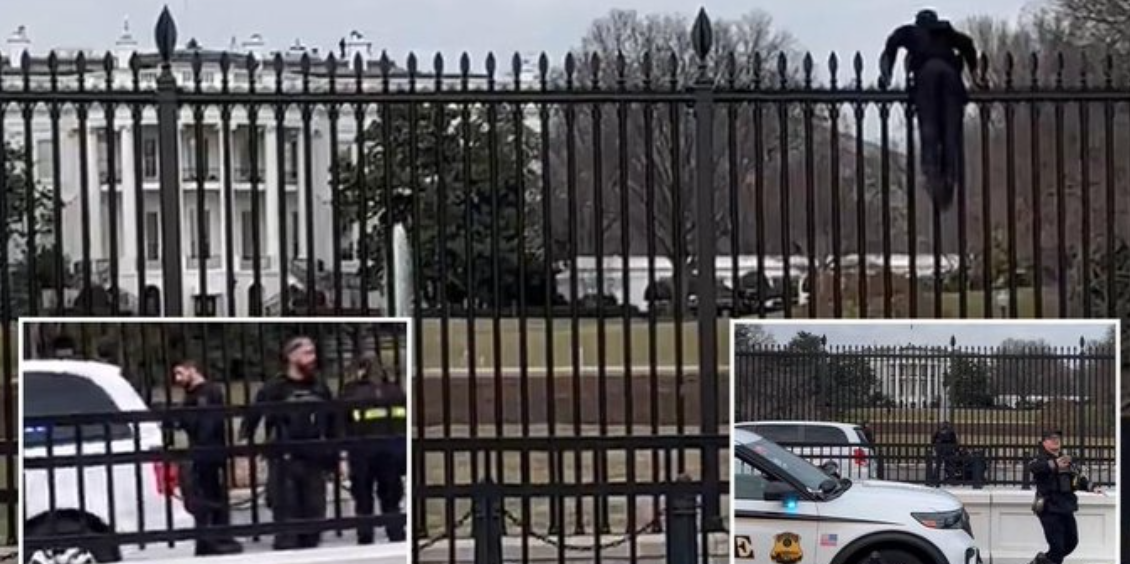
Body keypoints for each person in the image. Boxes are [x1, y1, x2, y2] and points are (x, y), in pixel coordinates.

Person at [878, 9, 983, 211]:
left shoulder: (911, 32)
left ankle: (932, 175)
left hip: (927, 76)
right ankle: (950, 178)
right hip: (951, 77)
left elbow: (892, 42)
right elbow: (968, 44)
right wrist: (975, 74)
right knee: (951, 131)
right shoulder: (946, 32)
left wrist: (886, 74)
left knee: (930, 127)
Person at [239, 336, 336, 551]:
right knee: (286, 515)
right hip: (283, 459)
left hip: (313, 458)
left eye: (313, 352)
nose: (313, 358)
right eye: (307, 353)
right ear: (291, 356)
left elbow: (332, 422)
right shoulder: (275, 388)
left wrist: (338, 455)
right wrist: (245, 452)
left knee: (314, 515)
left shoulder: (320, 387)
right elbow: (251, 419)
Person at [169, 359, 243, 556]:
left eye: (180, 373)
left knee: (213, 495)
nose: (177, 379)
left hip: (210, 453)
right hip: (202, 452)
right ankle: (211, 536)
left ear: (192, 370)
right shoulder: (192, 394)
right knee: (203, 496)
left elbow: (207, 424)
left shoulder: (208, 392)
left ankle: (219, 537)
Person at [339, 354, 407, 544]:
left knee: (363, 499)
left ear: (361, 371)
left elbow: (342, 423)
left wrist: (341, 454)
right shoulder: (395, 391)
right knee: (391, 498)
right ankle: (396, 533)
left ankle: (365, 536)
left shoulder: (351, 392)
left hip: (362, 453)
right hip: (390, 452)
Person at [1027, 429, 1097, 564]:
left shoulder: (1067, 460)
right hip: (1049, 508)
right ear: (1044, 443)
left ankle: (1040, 561)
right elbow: (1034, 468)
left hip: (1066, 507)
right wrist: (1054, 464)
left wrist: (1092, 487)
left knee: (1071, 542)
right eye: (1051, 438)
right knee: (1057, 548)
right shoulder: (1040, 458)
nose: (1056, 440)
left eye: (1058, 437)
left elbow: (1078, 479)